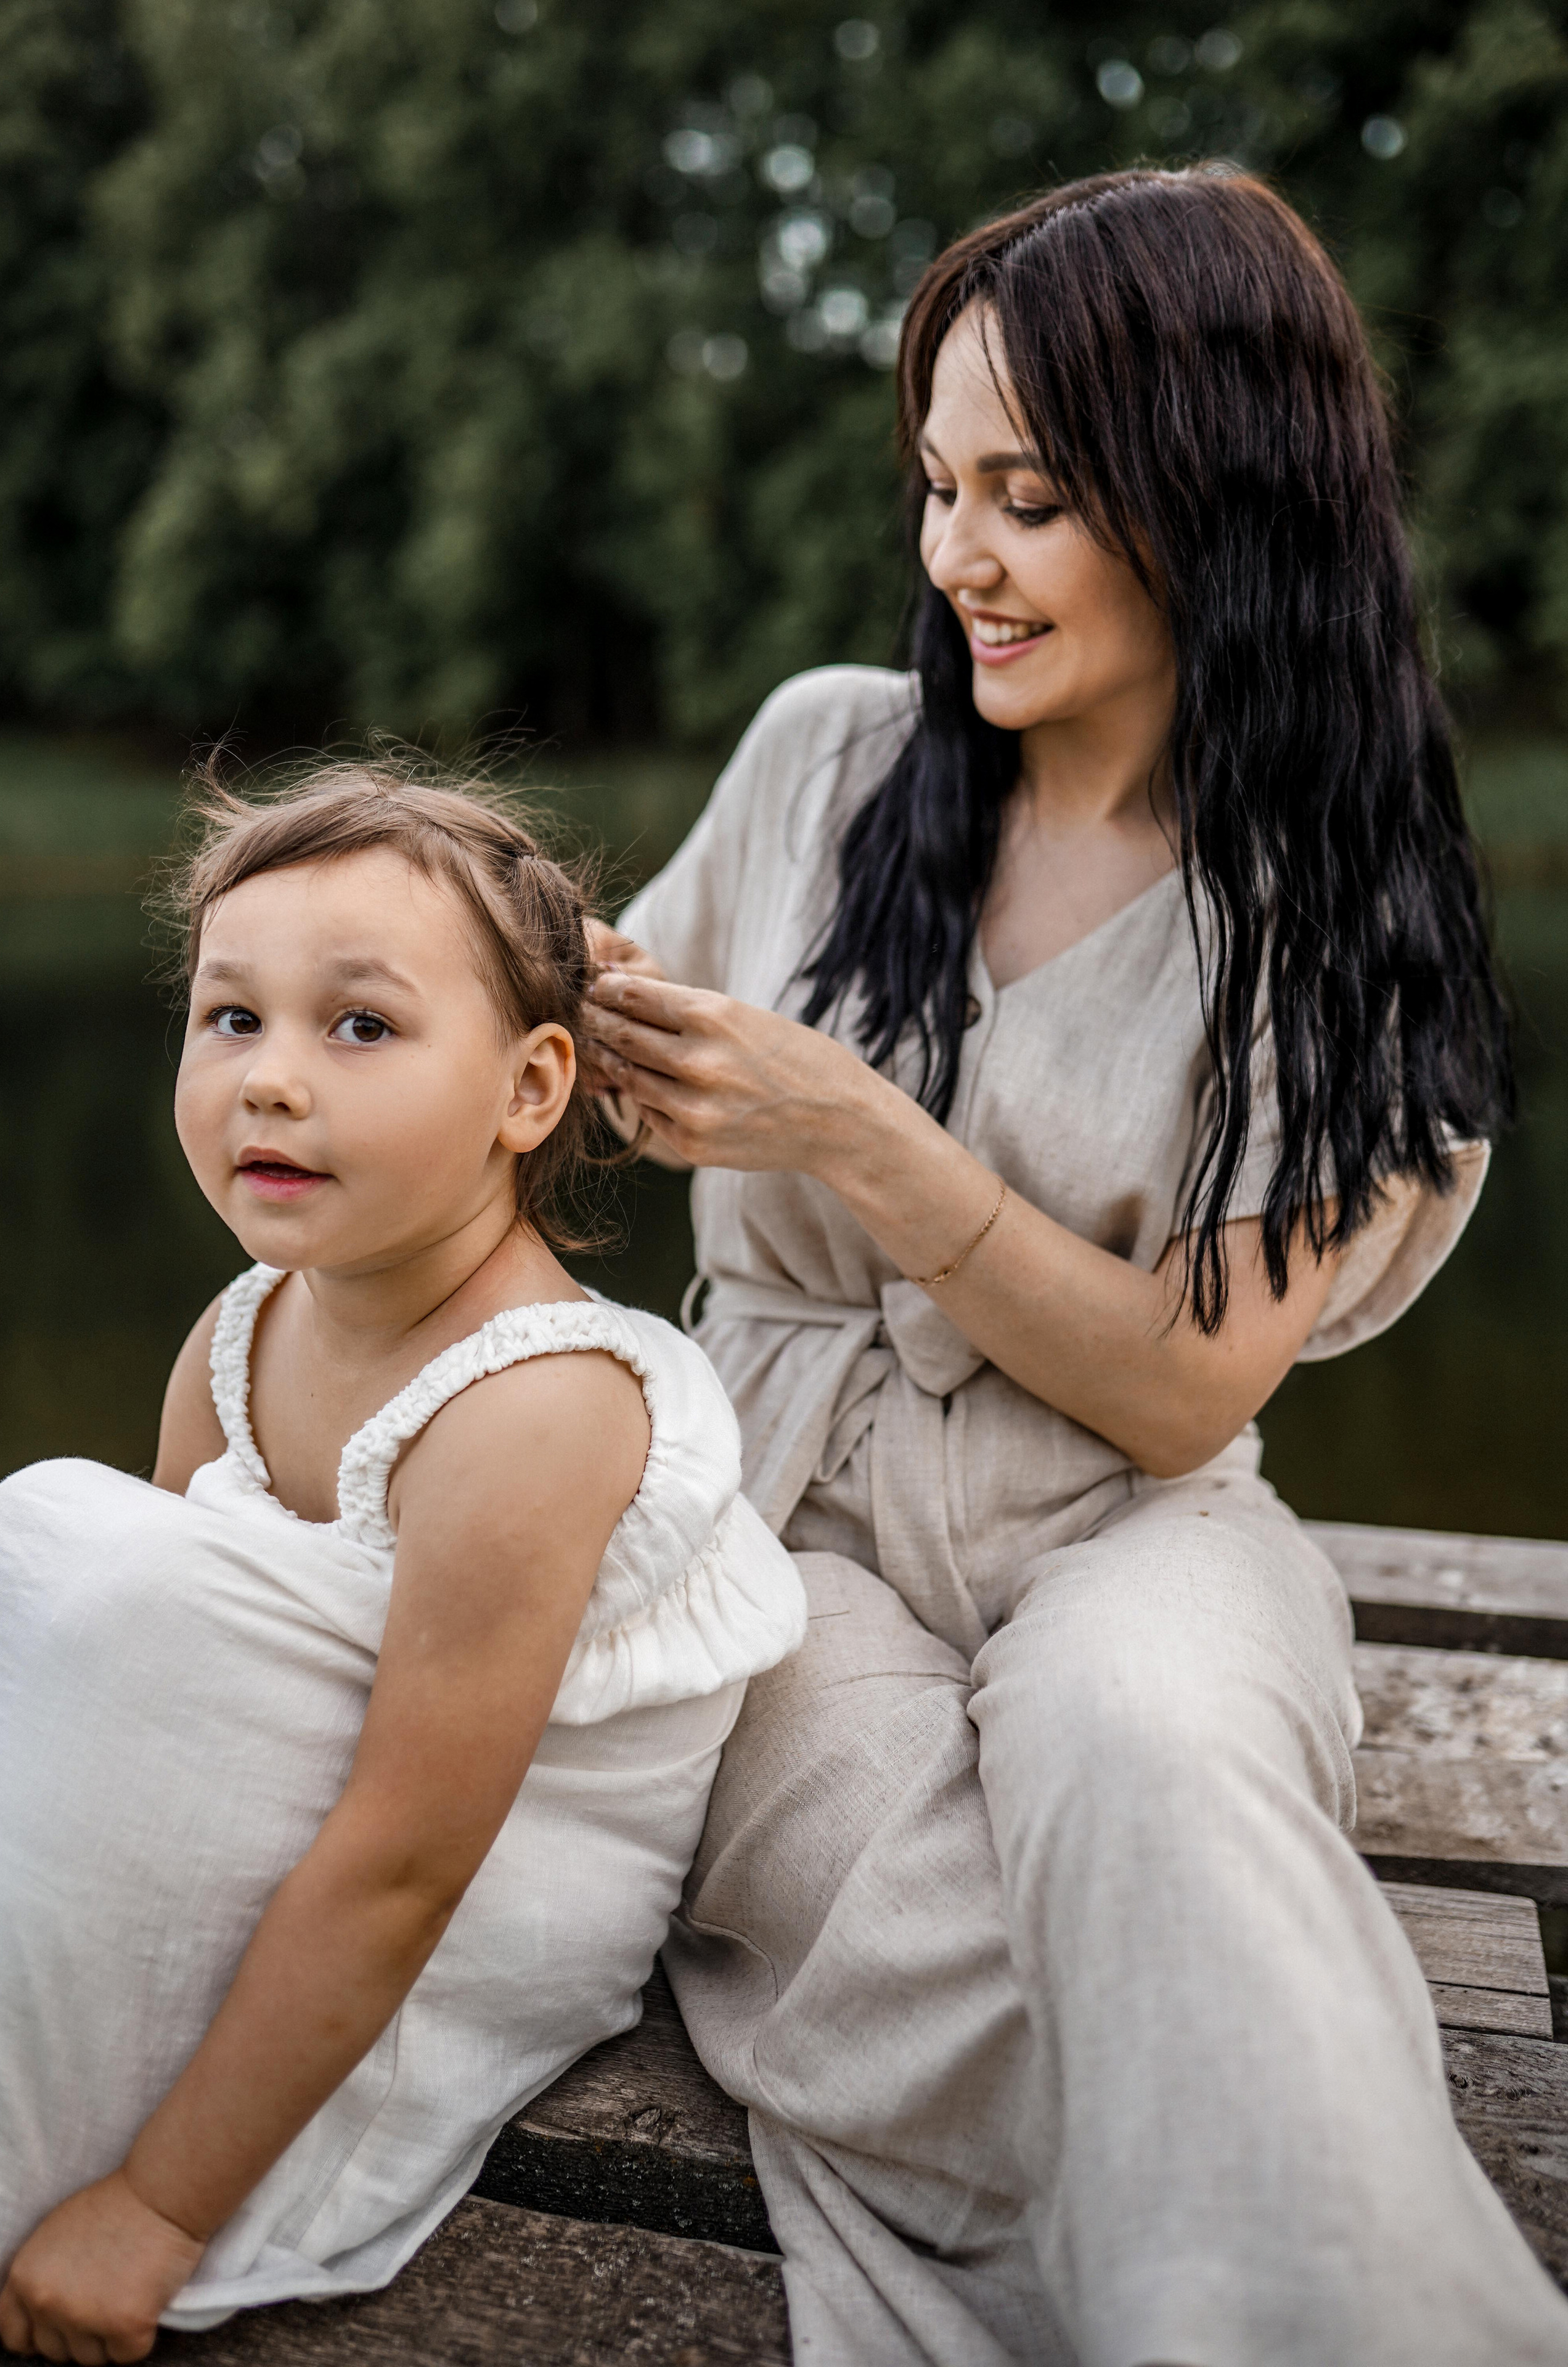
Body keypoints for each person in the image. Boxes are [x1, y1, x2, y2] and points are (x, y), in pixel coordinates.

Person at [585, 168, 1568, 2364]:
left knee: (1156, 1758)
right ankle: (1301, 2289)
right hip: (786, 1516)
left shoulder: (1323, 902)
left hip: (1136, 1510)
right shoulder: (828, 756)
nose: (956, 560)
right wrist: (433, 1004)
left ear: (1216, 502)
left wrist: (853, 1129)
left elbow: (1183, 1392)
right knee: (889, 1892)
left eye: (1026, 495)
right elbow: (575, 1028)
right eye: (939, 485)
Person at [0, 760, 807, 2360]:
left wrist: (158, 2205)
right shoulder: (239, 1330)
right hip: (322, 1804)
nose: (269, 1082)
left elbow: (413, 1858)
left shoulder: (540, 1407)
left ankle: (89, 2150)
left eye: (358, 1026)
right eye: (231, 1019)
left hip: (474, 1879)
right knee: (68, 1562)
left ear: (527, 1088)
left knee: (59, 1546)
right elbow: (162, 1680)